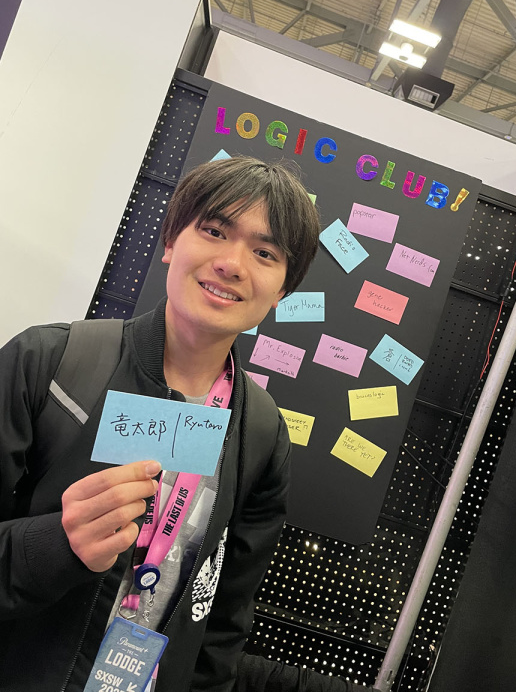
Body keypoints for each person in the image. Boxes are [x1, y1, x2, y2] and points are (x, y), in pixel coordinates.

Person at [0, 156, 321, 692]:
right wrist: (57, 544)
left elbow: (223, 625)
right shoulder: (48, 363)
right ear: (171, 240)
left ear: (282, 291)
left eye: (265, 253)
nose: (232, 263)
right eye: (214, 231)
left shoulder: (262, 434)